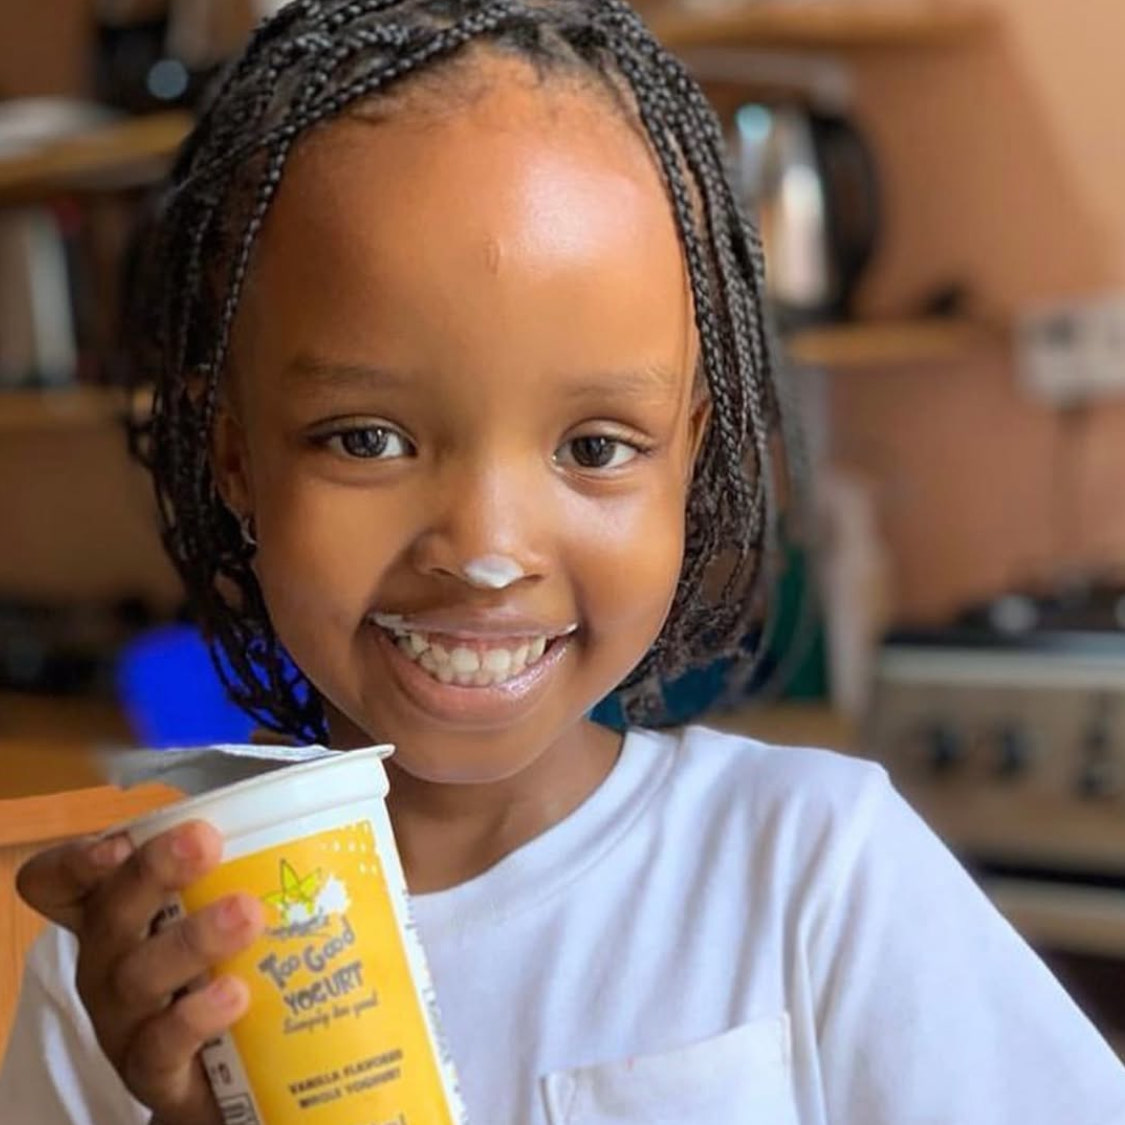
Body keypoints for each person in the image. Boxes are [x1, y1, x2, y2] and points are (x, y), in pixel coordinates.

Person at [3, 1, 1123, 1122]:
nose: (487, 554)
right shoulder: (139, 971)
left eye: (595, 448)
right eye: (368, 438)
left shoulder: (812, 870)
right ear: (234, 458)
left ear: (690, 454)